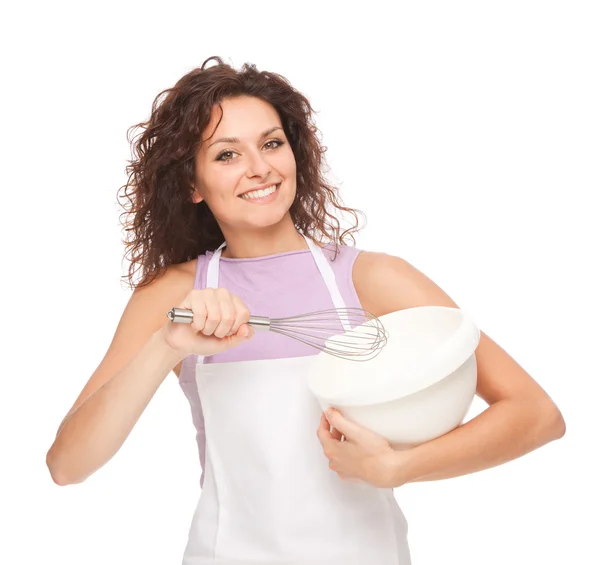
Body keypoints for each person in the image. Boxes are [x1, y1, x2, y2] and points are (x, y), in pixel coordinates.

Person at [46, 56, 566, 564]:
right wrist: (166, 345)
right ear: (191, 184)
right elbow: (68, 465)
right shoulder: (172, 297)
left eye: (271, 144)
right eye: (226, 155)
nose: (259, 168)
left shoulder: (372, 279)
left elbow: (534, 413)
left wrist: (398, 467)